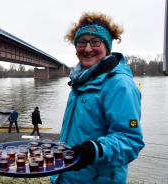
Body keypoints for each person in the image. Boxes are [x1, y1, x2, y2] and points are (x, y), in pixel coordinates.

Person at [50, 12, 144, 184]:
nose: (87, 48)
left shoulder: (119, 85)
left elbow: (131, 140)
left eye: (95, 42)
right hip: (67, 176)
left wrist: (94, 150)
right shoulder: (81, 80)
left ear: (107, 46)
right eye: (82, 42)